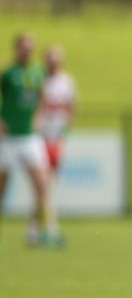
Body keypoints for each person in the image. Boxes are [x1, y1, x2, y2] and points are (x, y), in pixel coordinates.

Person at [0, 33, 59, 247]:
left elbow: (43, 98)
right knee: (1, 189)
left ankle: (37, 232)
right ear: (16, 49)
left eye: (30, 48)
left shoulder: (37, 73)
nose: (27, 52)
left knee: (43, 187)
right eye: (24, 48)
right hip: (8, 139)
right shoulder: (7, 73)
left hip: (30, 138)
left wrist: (39, 116)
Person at [38, 45, 77, 244]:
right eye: (50, 60)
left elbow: (71, 108)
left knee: (46, 187)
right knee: (44, 185)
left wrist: (65, 132)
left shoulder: (67, 82)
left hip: (57, 139)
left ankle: (35, 230)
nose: (53, 64)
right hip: (39, 138)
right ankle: (51, 228)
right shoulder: (39, 80)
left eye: (56, 60)